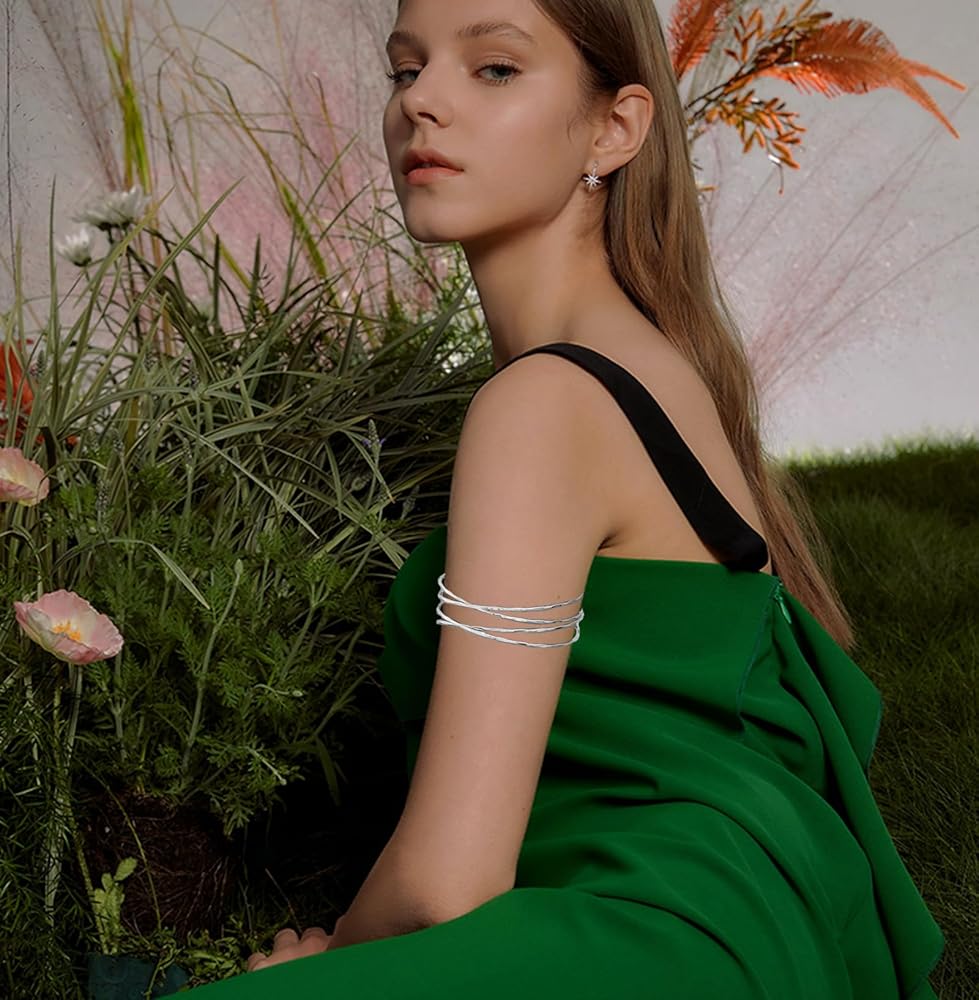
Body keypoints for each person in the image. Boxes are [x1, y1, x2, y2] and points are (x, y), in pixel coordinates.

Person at [186, 0, 945, 996]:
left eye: (494, 68)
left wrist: (332, 960)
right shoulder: (650, 366)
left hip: (657, 937)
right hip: (736, 919)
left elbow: (446, 885)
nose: (422, 102)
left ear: (613, 128)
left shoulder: (545, 401)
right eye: (405, 69)